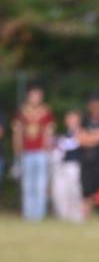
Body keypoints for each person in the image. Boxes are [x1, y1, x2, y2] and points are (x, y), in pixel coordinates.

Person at [12, 86, 55, 220]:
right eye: (33, 95)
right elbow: (17, 132)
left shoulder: (46, 112)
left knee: (41, 183)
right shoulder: (22, 112)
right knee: (27, 184)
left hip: (41, 152)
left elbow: (49, 132)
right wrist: (17, 150)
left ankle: (39, 214)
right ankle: (28, 213)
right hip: (26, 152)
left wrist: (48, 149)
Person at [51, 110, 83, 222]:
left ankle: (76, 216)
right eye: (70, 119)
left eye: (74, 119)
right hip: (61, 165)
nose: (72, 121)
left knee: (73, 190)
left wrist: (59, 142)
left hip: (73, 165)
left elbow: (76, 143)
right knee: (59, 191)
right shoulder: (65, 134)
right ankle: (63, 215)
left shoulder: (80, 132)